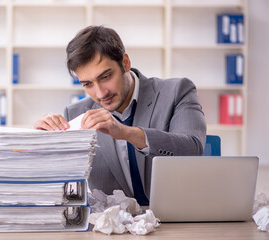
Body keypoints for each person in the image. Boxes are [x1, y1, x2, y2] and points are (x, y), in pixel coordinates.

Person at [34, 25, 207, 205]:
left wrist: (125, 132)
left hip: (175, 221)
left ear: (125, 62)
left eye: (105, 77)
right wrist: (40, 145)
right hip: (113, 228)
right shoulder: (75, 113)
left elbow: (192, 149)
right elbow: (64, 187)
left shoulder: (177, 91)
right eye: (88, 84)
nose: (100, 93)